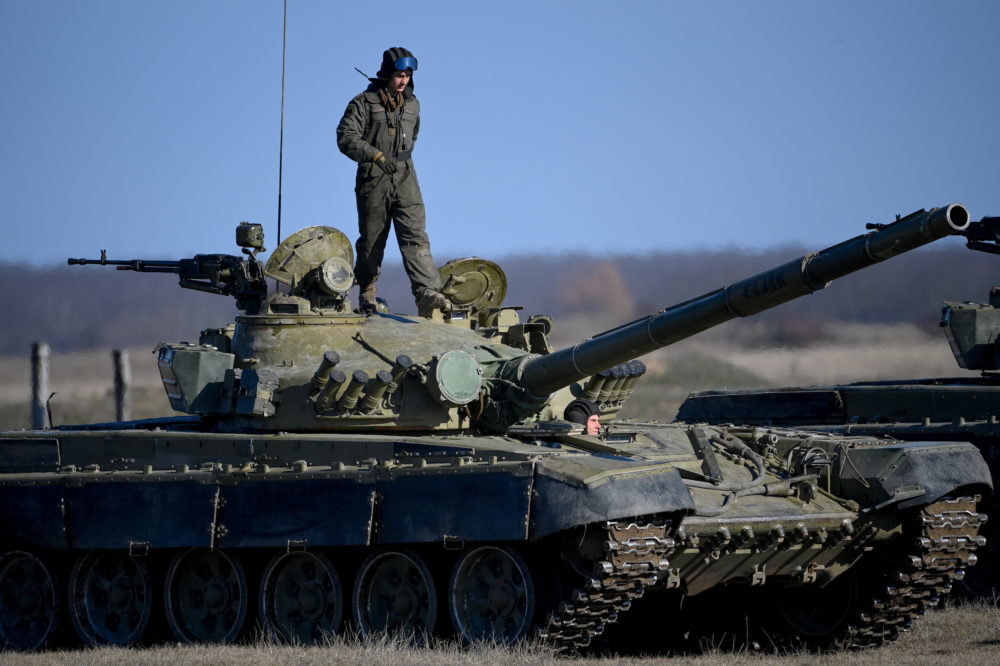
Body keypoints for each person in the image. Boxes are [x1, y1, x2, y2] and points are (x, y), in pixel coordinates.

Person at [336, 47, 449, 318]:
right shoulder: (363, 102)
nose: (404, 81)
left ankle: (427, 293)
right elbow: (346, 137)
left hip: (405, 174)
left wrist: (399, 160)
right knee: (373, 239)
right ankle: (367, 291)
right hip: (374, 175)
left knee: (415, 235)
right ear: (387, 74)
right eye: (399, 75)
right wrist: (374, 155)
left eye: (408, 76)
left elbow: (414, 135)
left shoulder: (413, 104)